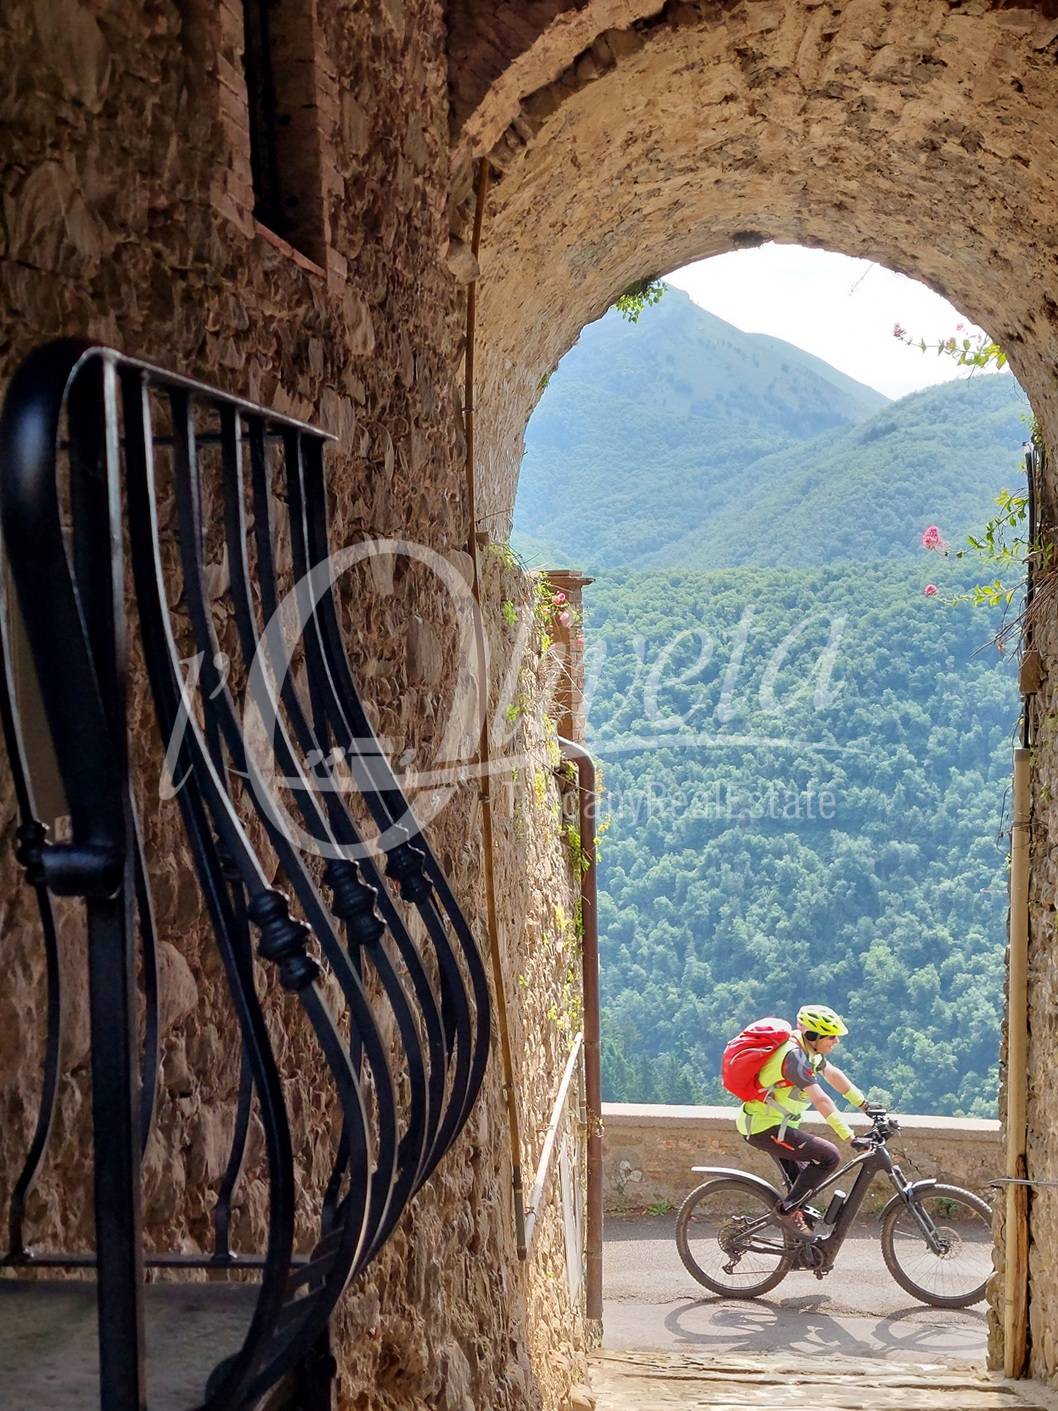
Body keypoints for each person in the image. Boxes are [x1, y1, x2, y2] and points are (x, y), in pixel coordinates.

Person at [734, 1003, 870, 1240]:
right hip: (764, 1127)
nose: (836, 1041)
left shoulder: (809, 1052)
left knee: (805, 1189)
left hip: (780, 1127)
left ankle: (798, 1250)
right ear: (813, 1035)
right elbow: (821, 1099)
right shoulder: (794, 1058)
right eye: (831, 1036)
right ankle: (785, 1212)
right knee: (830, 1156)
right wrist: (849, 1137)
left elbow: (833, 1075)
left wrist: (866, 1105)